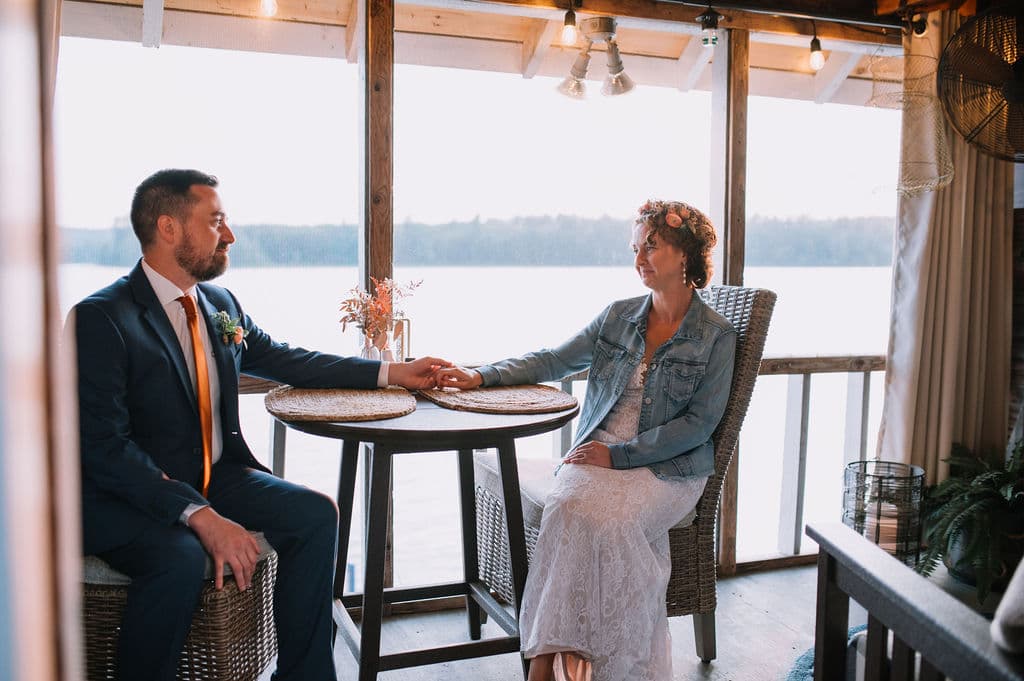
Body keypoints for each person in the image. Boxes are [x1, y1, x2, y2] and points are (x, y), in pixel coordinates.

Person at [70, 168, 450, 681]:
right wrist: (199, 515)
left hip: (217, 476)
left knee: (316, 514)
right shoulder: (101, 318)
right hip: (127, 497)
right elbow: (104, 448)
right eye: (216, 221)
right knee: (180, 558)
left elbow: (289, 361)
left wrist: (391, 372)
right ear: (169, 228)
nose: (229, 235)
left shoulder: (220, 304)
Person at [437, 199, 737, 681]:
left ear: (685, 254)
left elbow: (699, 426)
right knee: (568, 507)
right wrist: (482, 374)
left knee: (608, 521)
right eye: (635, 249)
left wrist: (619, 456)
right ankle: (549, 666)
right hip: (598, 449)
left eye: (651, 247)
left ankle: (588, 670)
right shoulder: (618, 317)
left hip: (669, 468)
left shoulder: (716, 336)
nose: (639, 259)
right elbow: (554, 359)